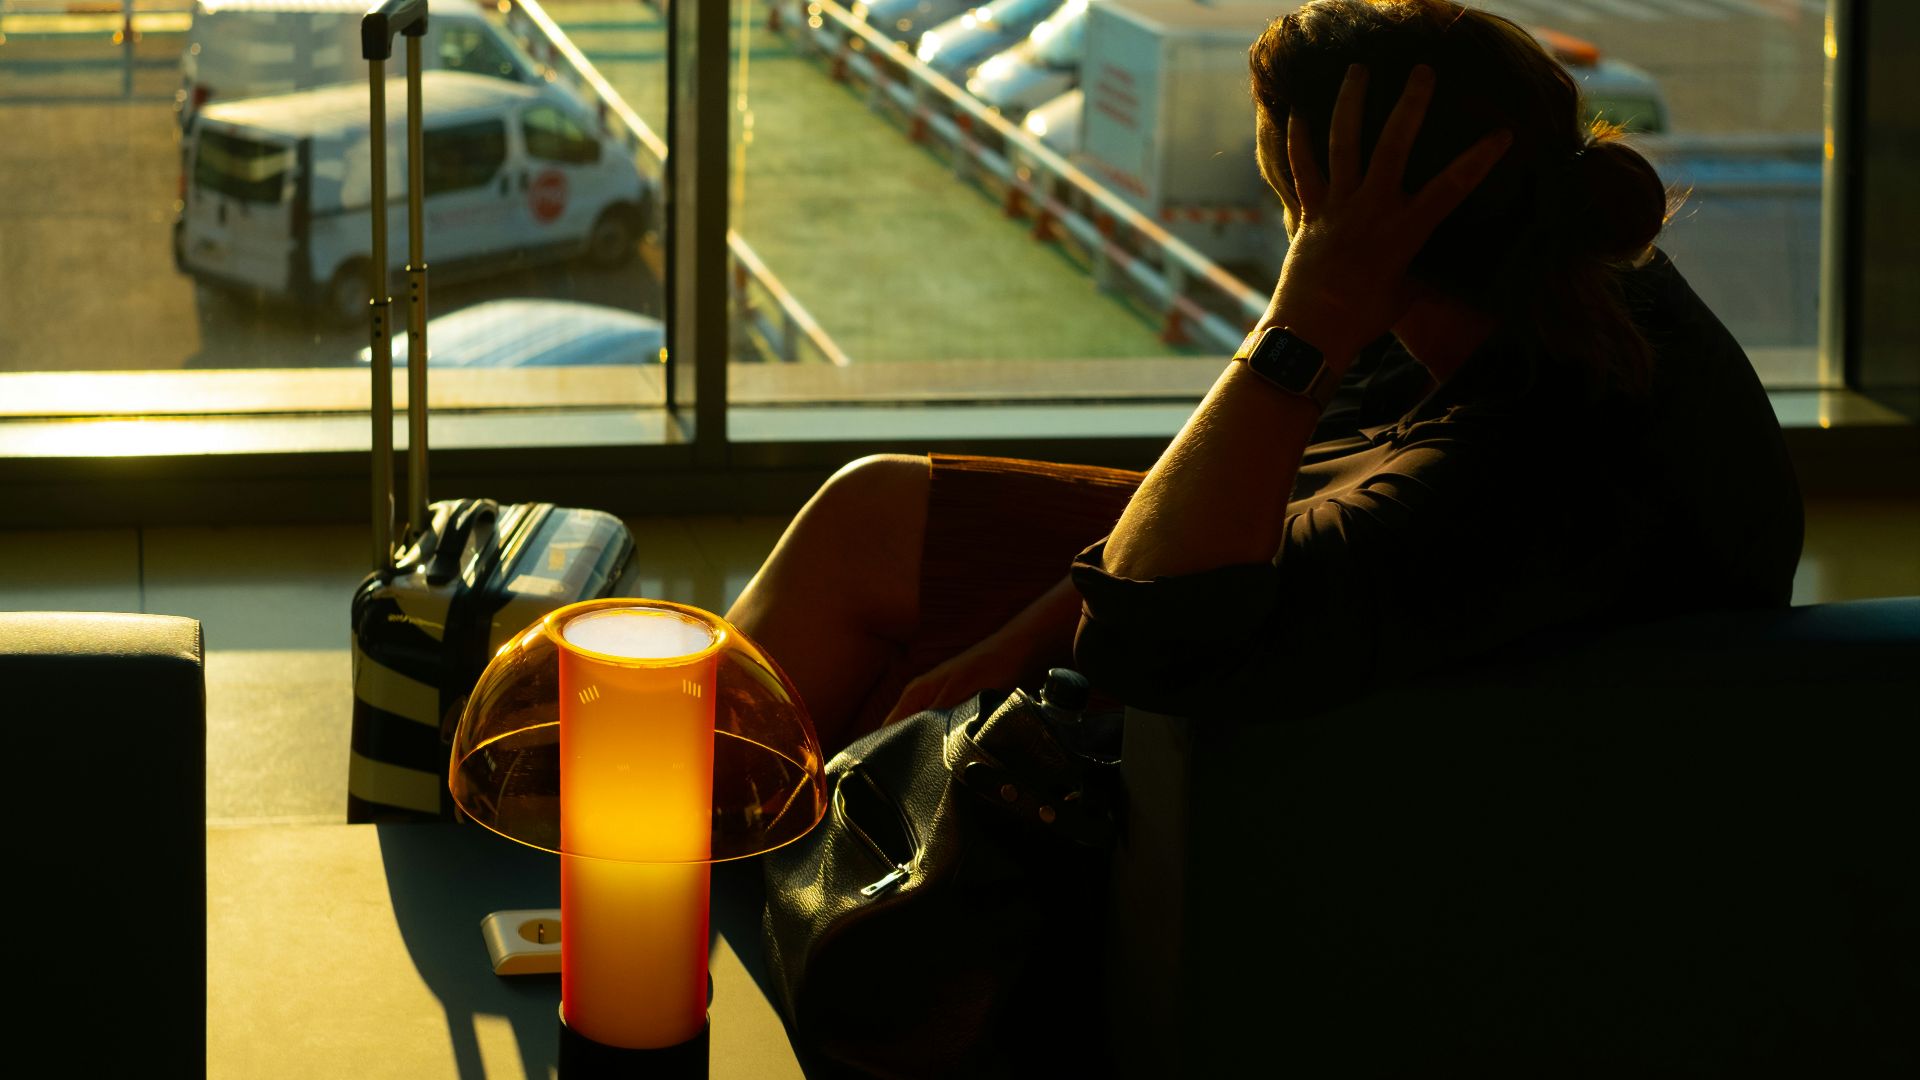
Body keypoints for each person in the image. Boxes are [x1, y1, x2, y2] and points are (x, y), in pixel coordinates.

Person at [726, 0, 1802, 756]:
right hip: (1366, 625)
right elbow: (1269, 477)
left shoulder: (1524, 469)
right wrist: (1007, 646)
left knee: (866, 599)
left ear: (1337, 214)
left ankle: (705, 855)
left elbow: (1144, 634)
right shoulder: (1544, 289)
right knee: (875, 522)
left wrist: (1306, 312)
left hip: (1359, 744)